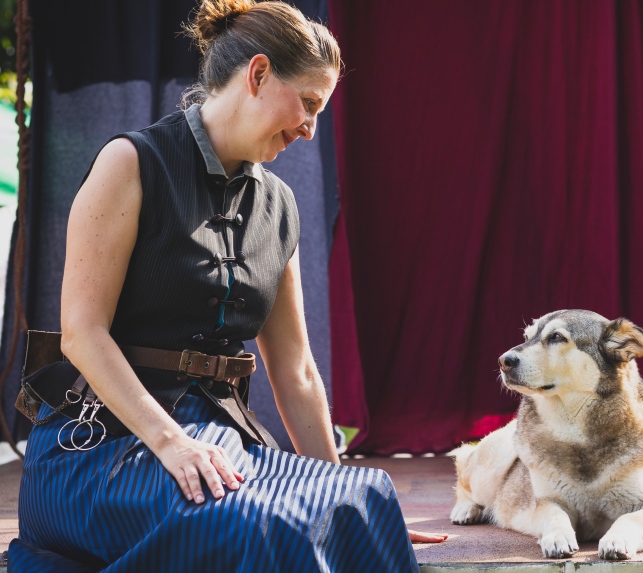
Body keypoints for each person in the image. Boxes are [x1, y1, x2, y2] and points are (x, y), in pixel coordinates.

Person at [8, 1, 446, 570]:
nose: (311, 129)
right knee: (254, 527)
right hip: (102, 448)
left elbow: (297, 371)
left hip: (214, 437)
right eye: (309, 104)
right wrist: (170, 442)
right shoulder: (131, 163)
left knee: (368, 495)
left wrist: (344, 503)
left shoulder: (280, 208)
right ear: (258, 74)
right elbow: (82, 335)